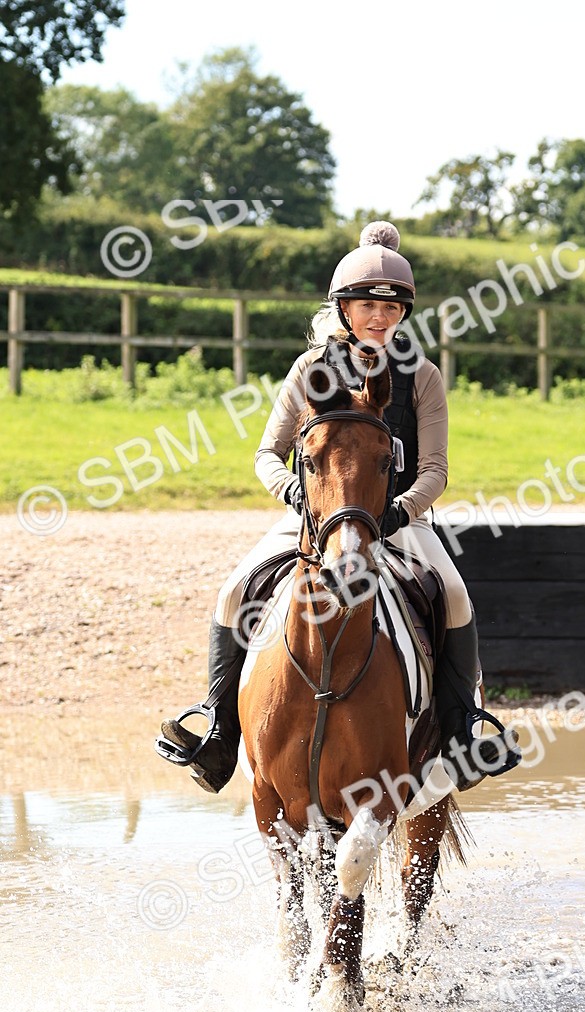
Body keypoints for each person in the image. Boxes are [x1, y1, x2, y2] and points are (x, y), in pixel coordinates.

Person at [155, 221, 520, 794]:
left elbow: (435, 470)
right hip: (315, 516)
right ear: (344, 308)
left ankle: (461, 733)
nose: (380, 317)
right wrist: (295, 493)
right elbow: (267, 454)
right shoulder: (309, 370)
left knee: (453, 595)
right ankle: (220, 731)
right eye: (367, 305)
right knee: (233, 591)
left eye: (391, 307)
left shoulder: (422, 377)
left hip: (397, 521)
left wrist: (399, 511)